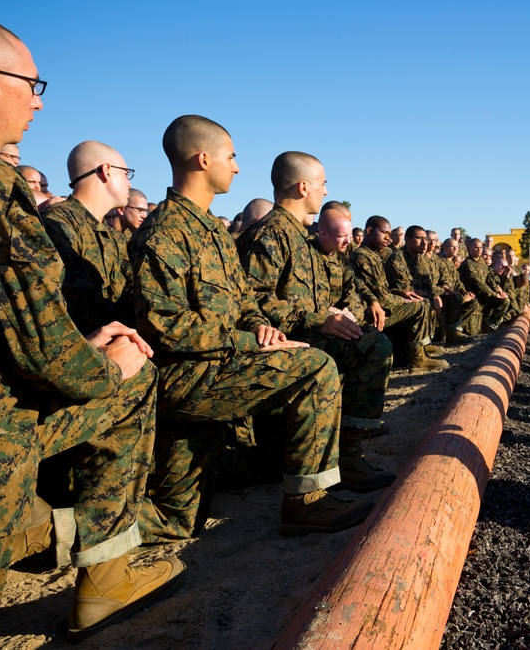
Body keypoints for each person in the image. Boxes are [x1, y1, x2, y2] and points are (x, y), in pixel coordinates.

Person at [0, 20, 185, 640]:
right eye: (31, 82)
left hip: (26, 387)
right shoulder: (5, 202)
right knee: (133, 380)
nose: (39, 99)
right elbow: (43, 345)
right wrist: (105, 363)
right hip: (5, 423)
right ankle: (97, 568)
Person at [129, 114, 372, 543]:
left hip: (219, 367)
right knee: (316, 368)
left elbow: (244, 300)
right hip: (189, 377)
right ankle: (306, 504)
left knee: (181, 519)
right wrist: (248, 339)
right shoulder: (165, 230)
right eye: (232, 156)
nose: (238, 167)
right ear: (204, 159)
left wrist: (264, 330)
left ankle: (53, 531)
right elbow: (163, 327)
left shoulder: (213, 232)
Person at [236, 151, 395, 490]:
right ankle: (348, 458)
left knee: (367, 339)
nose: (325, 191)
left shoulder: (300, 236)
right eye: (322, 183)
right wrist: (318, 320)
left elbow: (320, 293)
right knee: (371, 346)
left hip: (307, 328)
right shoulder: (272, 234)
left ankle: (346, 451)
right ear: (303, 186)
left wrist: (335, 314)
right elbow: (252, 300)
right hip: (282, 337)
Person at [42, 141, 137, 334]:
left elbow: (134, 289)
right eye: (126, 174)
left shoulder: (113, 237)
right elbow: (78, 301)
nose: (129, 183)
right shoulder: (56, 223)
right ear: (106, 171)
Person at [350, 215, 447, 370]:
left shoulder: (373, 254)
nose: (389, 238)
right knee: (420, 305)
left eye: (390, 234)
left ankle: (420, 347)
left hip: (381, 307)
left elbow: (381, 289)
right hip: (370, 314)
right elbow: (380, 298)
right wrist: (403, 300)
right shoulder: (362, 256)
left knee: (422, 301)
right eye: (385, 233)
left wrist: (400, 292)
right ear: (369, 231)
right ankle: (418, 360)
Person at [386, 225, 472, 345]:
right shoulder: (397, 259)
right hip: (403, 299)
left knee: (453, 297)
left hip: (424, 293)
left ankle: (451, 334)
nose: (424, 243)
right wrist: (432, 297)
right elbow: (405, 288)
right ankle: (422, 347)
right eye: (419, 238)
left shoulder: (421, 259)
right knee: (425, 302)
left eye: (425, 239)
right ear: (408, 239)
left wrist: (437, 294)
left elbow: (427, 283)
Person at [458, 236, 510, 333]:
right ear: (469, 248)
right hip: (474, 295)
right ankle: (459, 329)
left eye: (481, 247)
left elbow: (489, 277)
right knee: (472, 332)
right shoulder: (468, 264)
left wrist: (498, 289)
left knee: (505, 301)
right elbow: (477, 282)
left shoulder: (481, 261)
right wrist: (494, 294)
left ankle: (490, 326)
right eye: (476, 248)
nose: (479, 250)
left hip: (485, 294)